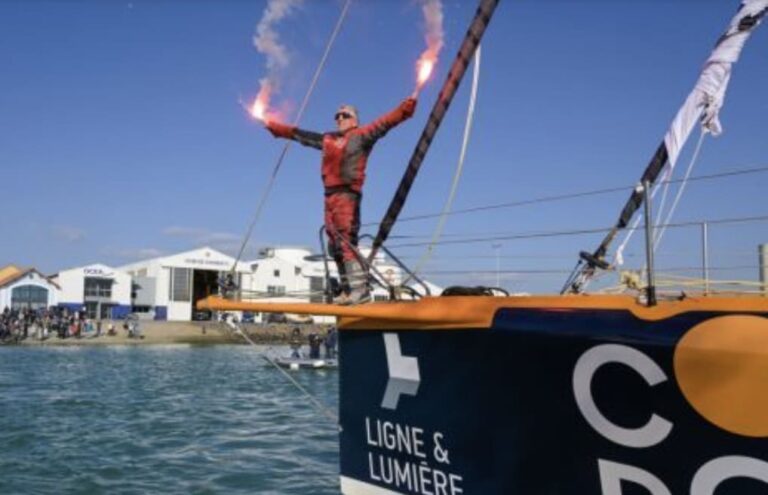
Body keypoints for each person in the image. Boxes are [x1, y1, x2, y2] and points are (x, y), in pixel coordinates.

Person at [264, 97, 417, 305]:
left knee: (346, 240)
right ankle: (347, 289)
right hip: (329, 196)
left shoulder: (361, 136)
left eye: (345, 115)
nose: (340, 118)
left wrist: (404, 110)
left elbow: (385, 123)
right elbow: (302, 136)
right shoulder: (328, 139)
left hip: (347, 195)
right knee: (334, 245)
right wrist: (277, 129)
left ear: (355, 120)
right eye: (337, 116)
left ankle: (359, 290)